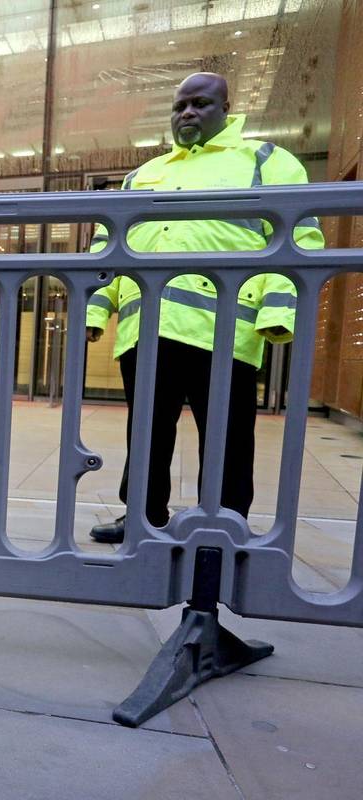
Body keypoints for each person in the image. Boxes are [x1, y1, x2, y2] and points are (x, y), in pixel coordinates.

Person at [85, 72, 323, 544]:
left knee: (229, 436)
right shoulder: (143, 174)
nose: (187, 113)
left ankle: (224, 521)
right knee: (147, 431)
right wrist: (96, 309)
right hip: (148, 327)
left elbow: (298, 238)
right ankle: (141, 517)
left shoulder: (266, 160)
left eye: (200, 103)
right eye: (179, 106)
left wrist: (277, 312)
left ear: (226, 108)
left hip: (225, 329)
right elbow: (107, 246)